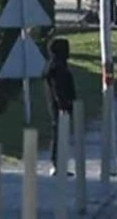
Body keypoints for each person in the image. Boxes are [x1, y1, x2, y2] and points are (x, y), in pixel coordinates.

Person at [44, 37, 76, 177]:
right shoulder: (56, 68)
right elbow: (58, 88)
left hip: (62, 105)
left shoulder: (58, 65)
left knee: (61, 134)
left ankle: (61, 164)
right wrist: (64, 103)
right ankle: (56, 164)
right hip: (60, 106)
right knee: (58, 134)